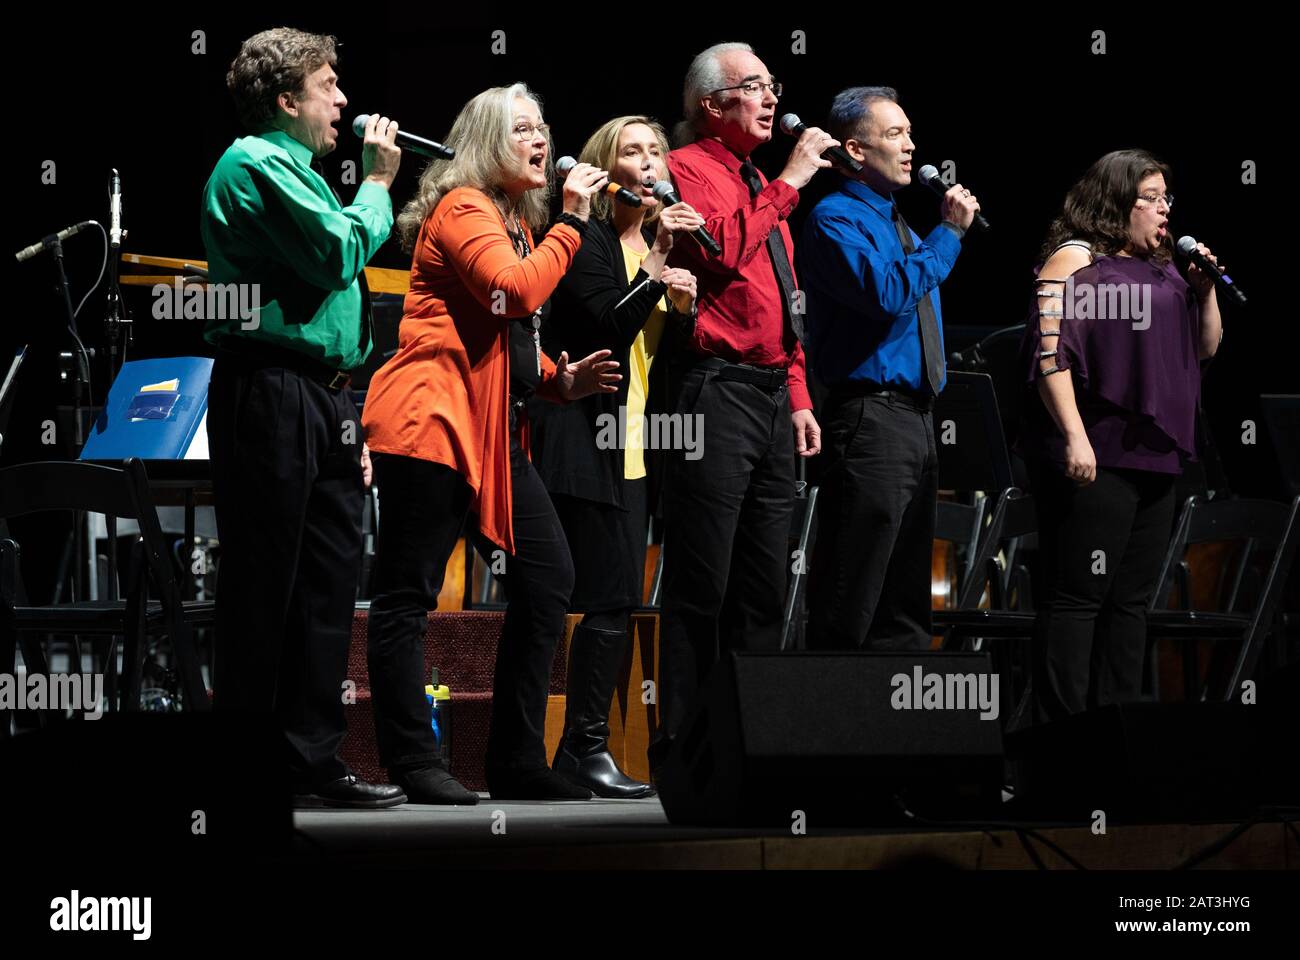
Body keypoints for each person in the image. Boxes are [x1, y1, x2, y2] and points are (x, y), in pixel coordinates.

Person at [361, 83, 619, 802]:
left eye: (543, 127)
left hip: (492, 432)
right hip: (430, 422)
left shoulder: (511, 220)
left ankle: (515, 758)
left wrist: (555, 382)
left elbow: (506, 334)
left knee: (547, 580)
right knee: (405, 595)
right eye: (523, 131)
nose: (541, 141)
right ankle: (414, 762)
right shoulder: (465, 207)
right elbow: (516, 293)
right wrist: (572, 220)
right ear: (484, 144)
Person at [201, 27, 405, 808]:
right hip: (271, 388)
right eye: (328, 87)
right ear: (286, 99)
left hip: (323, 393)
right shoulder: (253, 163)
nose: (344, 101)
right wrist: (380, 182)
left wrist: (345, 411)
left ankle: (311, 762)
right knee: (265, 586)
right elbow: (334, 254)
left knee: (326, 585)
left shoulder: (306, 174)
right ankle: (250, 767)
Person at [652, 42, 833, 767]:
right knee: (703, 578)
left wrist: (798, 396)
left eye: (770, 84)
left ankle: (753, 742)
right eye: (753, 86)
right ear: (711, 106)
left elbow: (782, 303)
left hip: (767, 397)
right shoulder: (686, 169)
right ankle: (685, 747)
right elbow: (721, 253)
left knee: (763, 581)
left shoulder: (761, 181)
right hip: (713, 391)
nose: (769, 98)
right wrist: (788, 183)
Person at [1018, 149, 1222, 722]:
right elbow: (1049, 354)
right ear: (1116, 201)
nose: (1164, 210)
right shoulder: (1078, 262)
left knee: (1131, 602)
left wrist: (1203, 290)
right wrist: (1075, 438)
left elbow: (1203, 349)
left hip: (1158, 455)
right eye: (1151, 198)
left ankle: (1119, 732)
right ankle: (1064, 737)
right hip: (1099, 452)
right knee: (1081, 595)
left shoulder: (1166, 269)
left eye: (1166, 199)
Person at [531, 116, 703, 797]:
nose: (650, 160)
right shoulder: (591, 240)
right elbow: (607, 321)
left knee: (619, 600)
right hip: (581, 437)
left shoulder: (661, 250)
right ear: (606, 170)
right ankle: (579, 750)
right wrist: (659, 263)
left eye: (657, 149)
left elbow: (661, 362)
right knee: (593, 597)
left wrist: (684, 311)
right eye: (633, 151)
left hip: (637, 444)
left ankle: (584, 751)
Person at [799, 86, 979, 651]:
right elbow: (888, 292)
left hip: (916, 420)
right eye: (894, 135)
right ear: (854, 150)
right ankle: (825, 722)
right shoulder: (835, 219)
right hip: (869, 419)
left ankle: (896, 727)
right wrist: (948, 234)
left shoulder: (895, 221)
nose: (911, 147)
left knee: (904, 598)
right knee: (853, 585)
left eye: (909, 133)